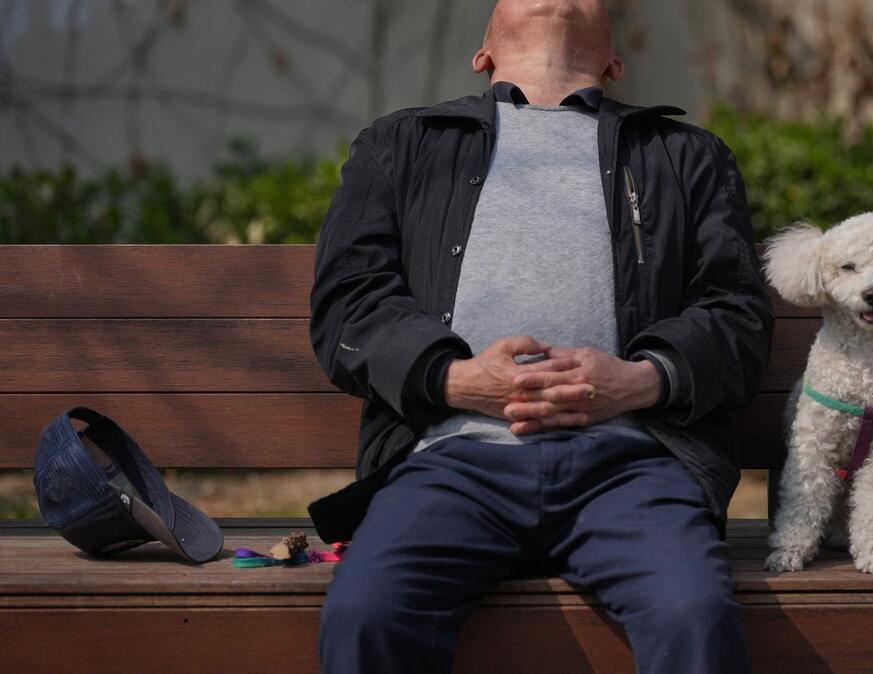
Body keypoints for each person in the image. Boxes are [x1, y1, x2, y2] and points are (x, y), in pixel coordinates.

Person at [307, 1, 773, 672]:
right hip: (450, 462)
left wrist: (640, 381)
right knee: (365, 614)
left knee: (692, 614)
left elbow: (737, 316)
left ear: (616, 62)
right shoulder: (402, 144)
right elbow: (348, 305)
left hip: (632, 466)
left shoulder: (684, 156)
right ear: (482, 54)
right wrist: (457, 380)